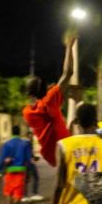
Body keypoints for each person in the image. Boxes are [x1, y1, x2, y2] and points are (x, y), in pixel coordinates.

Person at [23, 36, 76, 166]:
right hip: (66, 150)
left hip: (50, 156)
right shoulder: (49, 101)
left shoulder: (27, 112)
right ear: (43, 90)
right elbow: (68, 72)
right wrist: (69, 46)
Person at [0, 125, 33, 204]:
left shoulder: (7, 144)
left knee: (9, 192)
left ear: (11, 132)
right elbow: (28, 159)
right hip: (21, 171)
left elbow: (2, 159)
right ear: (20, 132)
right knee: (18, 194)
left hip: (9, 171)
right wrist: (29, 172)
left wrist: (0, 170)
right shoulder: (25, 144)